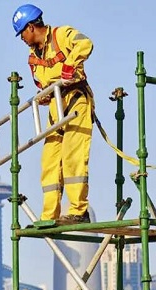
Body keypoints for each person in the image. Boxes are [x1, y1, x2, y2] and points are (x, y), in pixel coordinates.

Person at [13, 4, 95, 224]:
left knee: (73, 156)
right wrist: (44, 97)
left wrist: (69, 64)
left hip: (76, 99)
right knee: (50, 160)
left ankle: (78, 211)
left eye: (22, 32)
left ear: (31, 27)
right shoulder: (32, 58)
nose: (21, 38)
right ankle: (50, 215)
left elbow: (85, 44)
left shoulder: (62, 34)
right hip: (55, 106)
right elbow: (43, 83)